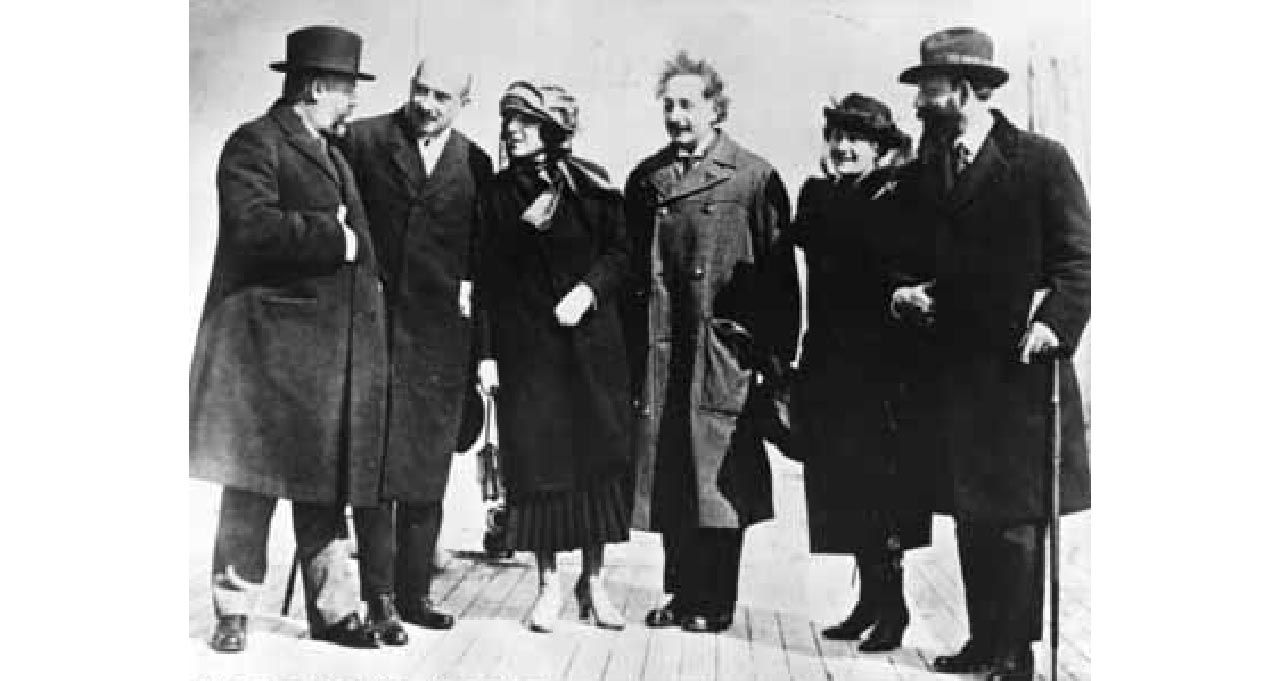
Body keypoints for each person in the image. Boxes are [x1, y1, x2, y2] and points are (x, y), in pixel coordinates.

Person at [893, 27, 1091, 681]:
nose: (919, 102)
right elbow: (907, 258)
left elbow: (1077, 262)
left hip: (1019, 373)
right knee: (972, 513)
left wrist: (1055, 324)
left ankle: (1015, 651)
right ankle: (984, 641)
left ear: (966, 90)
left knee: (1015, 521)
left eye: (929, 89)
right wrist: (904, 292)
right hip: (952, 373)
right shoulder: (926, 172)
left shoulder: (1040, 161)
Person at [189, 25, 386, 652]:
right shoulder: (255, 143)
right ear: (316, 88)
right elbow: (249, 229)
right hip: (264, 353)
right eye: (347, 89)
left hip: (322, 359)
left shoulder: (334, 153)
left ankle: (335, 612)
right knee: (251, 485)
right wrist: (334, 237)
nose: (353, 102)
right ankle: (232, 611)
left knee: (325, 485)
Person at [623, 51, 798, 634]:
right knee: (673, 472)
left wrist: (774, 360)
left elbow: (779, 279)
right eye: (668, 105)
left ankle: (716, 600)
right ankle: (680, 594)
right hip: (664, 352)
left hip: (724, 355)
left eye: (688, 105)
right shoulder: (647, 179)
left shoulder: (752, 177)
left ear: (716, 110)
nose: (676, 116)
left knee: (719, 480)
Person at [338, 56, 493, 645]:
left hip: (440, 345)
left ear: (463, 104)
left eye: (442, 97)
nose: (427, 104)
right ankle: (379, 598)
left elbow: (479, 261)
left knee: (427, 471)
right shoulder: (364, 140)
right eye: (420, 90)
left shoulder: (474, 163)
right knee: (377, 473)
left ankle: (415, 593)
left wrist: (480, 350)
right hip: (374, 332)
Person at [474, 81, 633, 633]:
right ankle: (548, 586)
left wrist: (589, 291)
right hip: (529, 355)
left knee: (597, 468)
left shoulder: (593, 185)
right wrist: (486, 355)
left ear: (554, 128)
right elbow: (486, 279)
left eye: (526, 120)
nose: (513, 130)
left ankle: (595, 583)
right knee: (538, 470)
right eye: (509, 120)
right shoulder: (496, 196)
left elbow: (623, 252)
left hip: (592, 351)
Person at [789, 92, 932, 652]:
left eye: (856, 139)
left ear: (880, 148)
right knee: (845, 488)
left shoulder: (899, 196)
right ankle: (869, 602)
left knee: (884, 492)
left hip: (884, 371)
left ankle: (893, 608)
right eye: (837, 137)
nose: (843, 147)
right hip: (830, 364)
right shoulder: (821, 195)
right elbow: (805, 237)